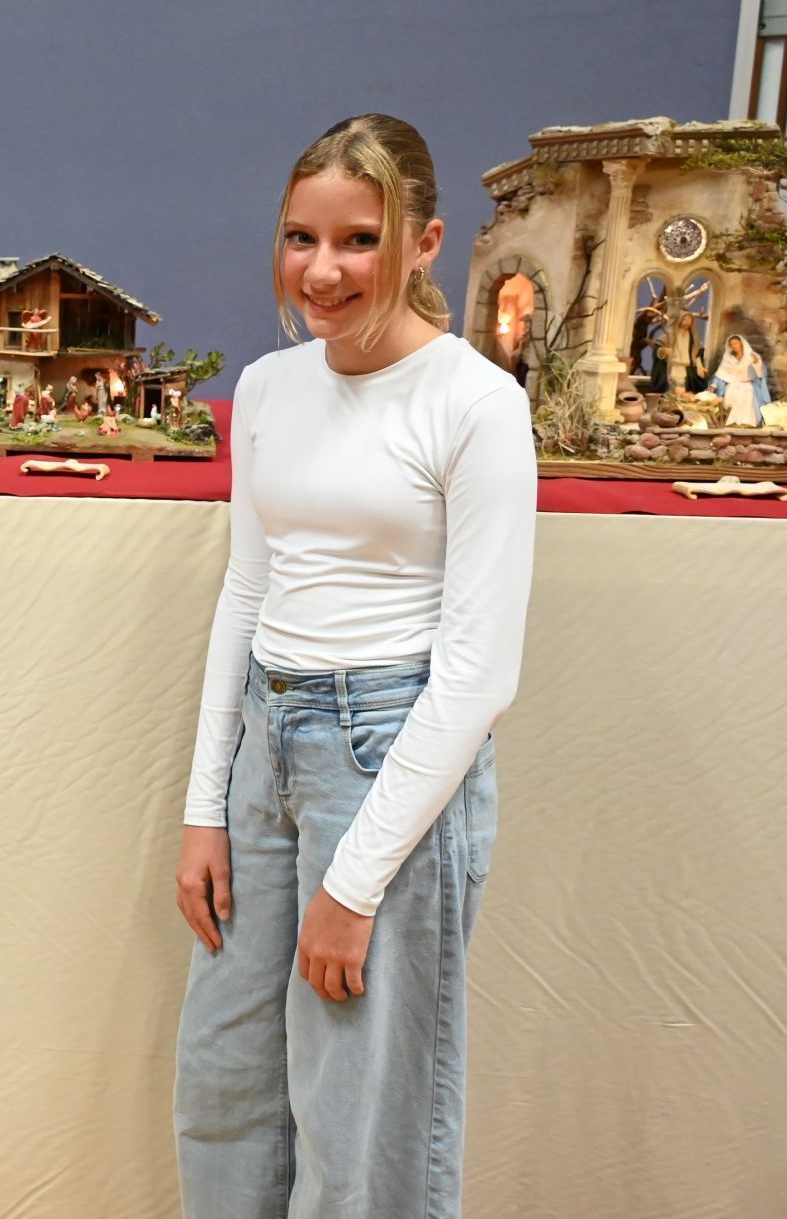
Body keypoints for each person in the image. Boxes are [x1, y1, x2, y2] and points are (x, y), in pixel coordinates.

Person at [173, 115, 536, 1218]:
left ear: (424, 243)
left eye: (357, 239)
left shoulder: (474, 404)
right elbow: (246, 589)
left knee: (358, 1115)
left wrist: (354, 879)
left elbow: (476, 674)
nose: (319, 271)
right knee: (222, 1085)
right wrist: (204, 807)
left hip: (387, 756)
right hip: (263, 748)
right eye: (298, 237)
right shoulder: (271, 387)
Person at [709, 334, 770, 427]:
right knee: (730, 394)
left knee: (747, 396)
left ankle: (747, 422)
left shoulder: (752, 356)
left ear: (741, 343)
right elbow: (720, 373)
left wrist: (756, 362)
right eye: (732, 344)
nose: (734, 346)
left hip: (748, 384)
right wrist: (713, 386)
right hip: (733, 384)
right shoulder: (728, 358)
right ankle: (731, 422)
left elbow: (760, 373)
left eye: (736, 343)